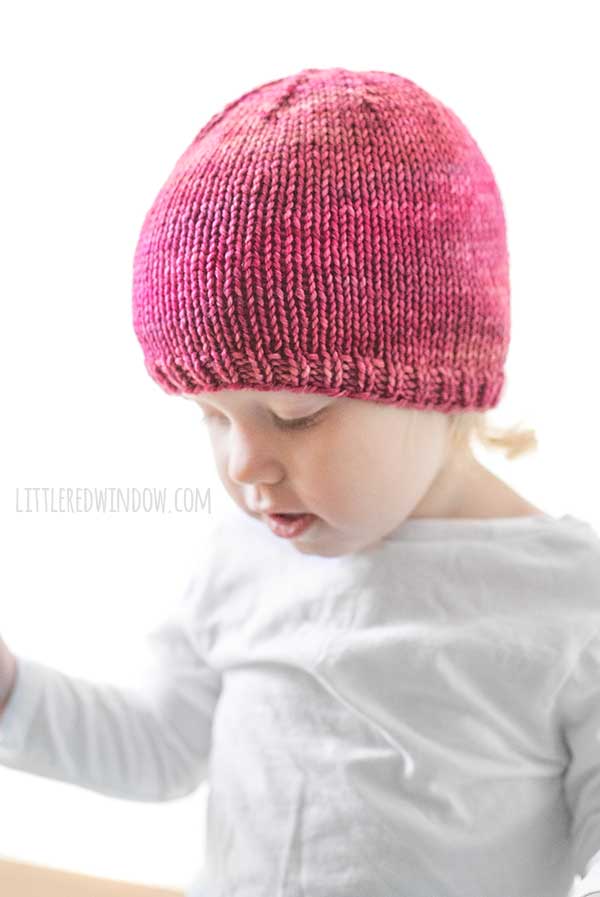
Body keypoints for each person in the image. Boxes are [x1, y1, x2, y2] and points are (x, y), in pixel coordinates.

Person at [1, 66, 599, 897]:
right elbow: (157, 743)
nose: (243, 465)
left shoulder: (570, 603)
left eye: (296, 413)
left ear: (438, 380)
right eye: (212, 414)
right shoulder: (239, 558)